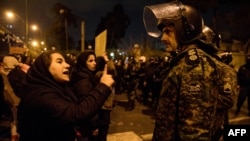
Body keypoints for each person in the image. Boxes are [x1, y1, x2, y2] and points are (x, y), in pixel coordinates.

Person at [143, 1, 237, 140]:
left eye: (168, 32)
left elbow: (194, 133)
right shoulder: (183, 61)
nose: (162, 38)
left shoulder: (195, 67)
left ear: (185, 30)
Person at [17, 50, 114, 141]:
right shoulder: (40, 96)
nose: (67, 65)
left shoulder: (57, 88)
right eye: (59, 62)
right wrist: (103, 86)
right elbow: (76, 113)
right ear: (45, 68)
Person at [69, 50, 99, 141]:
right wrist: (94, 126)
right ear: (83, 63)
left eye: (94, 60)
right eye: (90, 61)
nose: (94, 63)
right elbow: (87, 106)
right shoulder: (84, 82)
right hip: (85, 127)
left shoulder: (83, 76)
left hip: (81, 124)